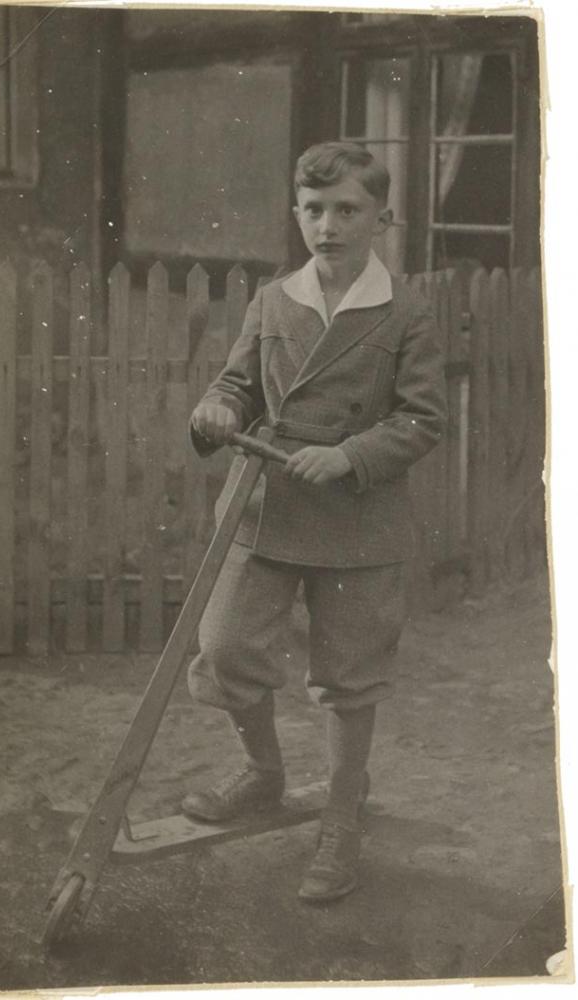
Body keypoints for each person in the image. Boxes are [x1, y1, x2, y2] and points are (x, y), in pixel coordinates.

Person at [181, 140, 447, 903]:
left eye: (348, 210)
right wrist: (220, 408)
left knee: (349, 677)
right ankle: (265, 774)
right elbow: (237, 385)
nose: (328, 226)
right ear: (297, 213)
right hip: (267, 504)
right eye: (314, 210)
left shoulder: (406, 312)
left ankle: (340, 812)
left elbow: (424, 419)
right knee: (225, 647)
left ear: (382, 217)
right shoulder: (274, 301)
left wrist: (350, 455)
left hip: (359, 519)